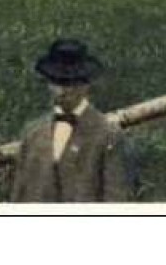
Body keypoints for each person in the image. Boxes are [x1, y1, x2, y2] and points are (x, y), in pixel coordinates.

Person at [9, 39, 134, 202]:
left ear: (85, 85)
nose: (61, 91)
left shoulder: (108, 136)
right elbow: (19, 194)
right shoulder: (33, 133)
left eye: (69, 83)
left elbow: (115, 199)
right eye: (55, 82)